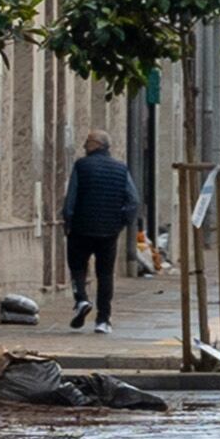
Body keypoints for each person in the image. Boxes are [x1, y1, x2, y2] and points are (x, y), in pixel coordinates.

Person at [60, 129, 138, 330]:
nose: (84, 146)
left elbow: (72, 197)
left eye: (87, 142)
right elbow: (132, 200)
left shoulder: (82, 165)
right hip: (109, 231)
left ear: (96, 144)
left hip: (81, 228)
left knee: (77, 267)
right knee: (105, 274)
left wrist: (68, 220)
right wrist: (121, 222)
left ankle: (81, 299)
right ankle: (103, 319)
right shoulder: (121, 169)